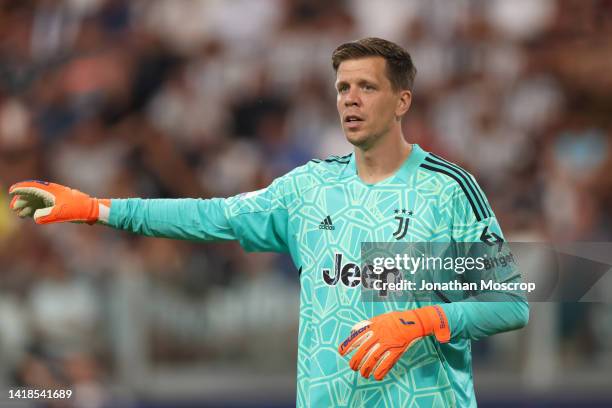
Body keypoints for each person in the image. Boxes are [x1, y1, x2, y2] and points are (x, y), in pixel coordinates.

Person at [9, 37, 528, 407]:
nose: (349, 98)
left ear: (402, 101)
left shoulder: (448, 188)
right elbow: (210, 216)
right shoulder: (308, 188)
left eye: (366, 87)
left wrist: (425, 321)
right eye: (343, 87)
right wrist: (96, 209)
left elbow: (510, 301)